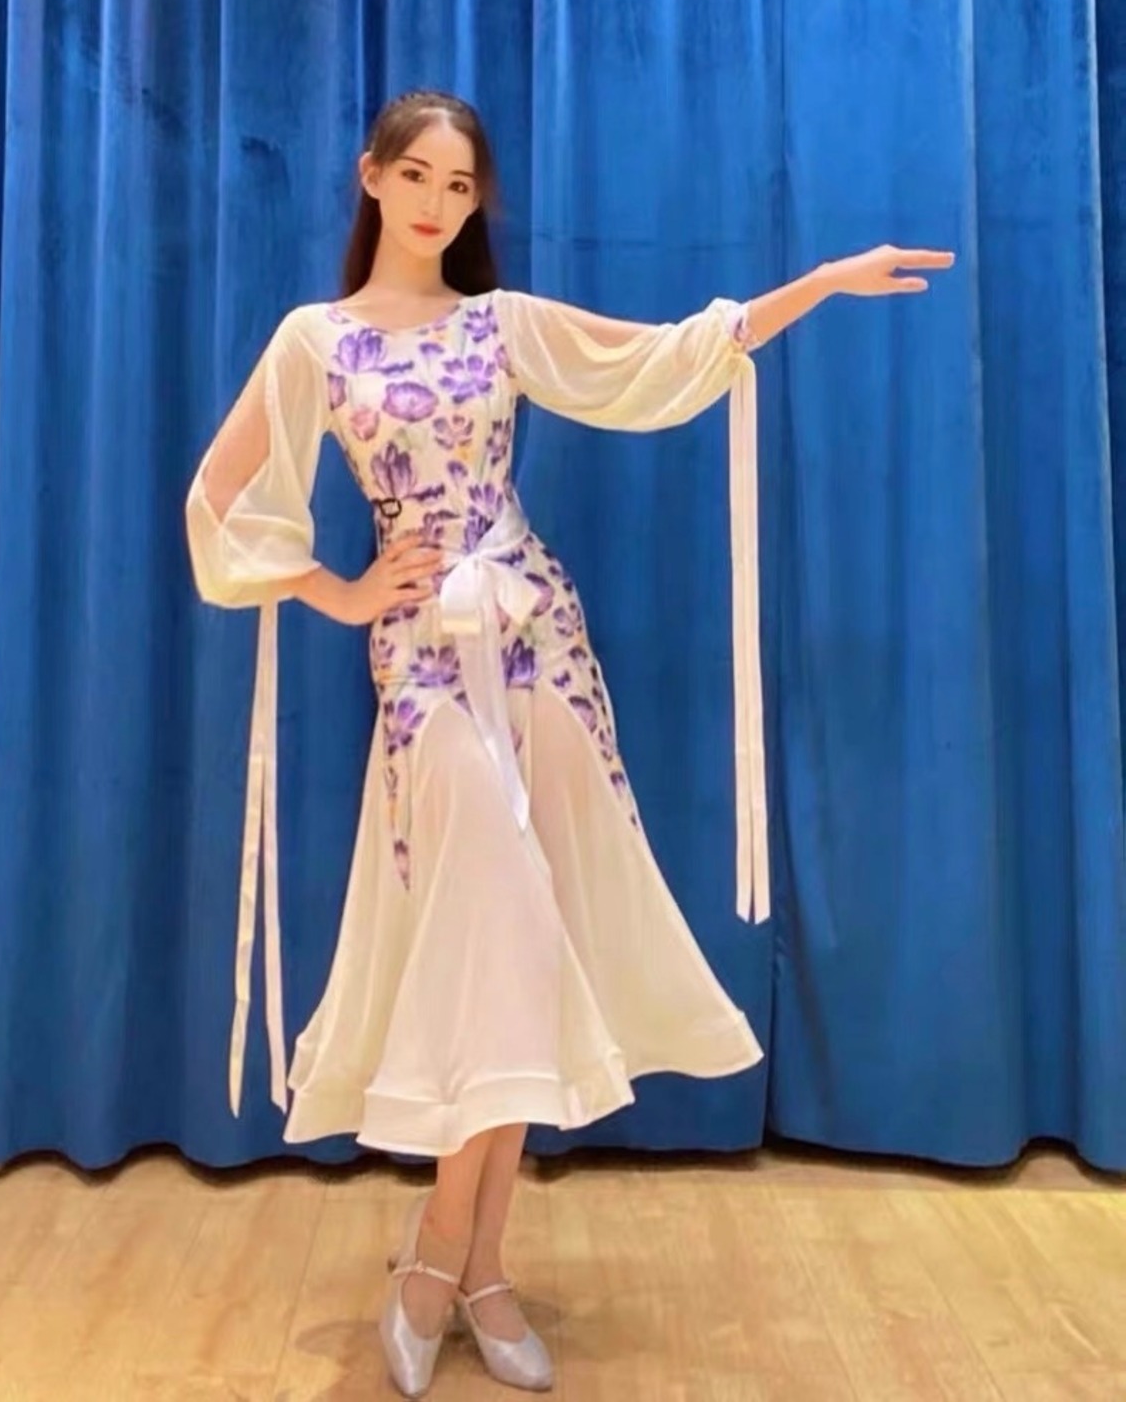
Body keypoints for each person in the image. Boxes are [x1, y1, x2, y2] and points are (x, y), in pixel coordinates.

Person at [185, 88, 953, 1397]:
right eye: (417, 177)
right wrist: (339, 591)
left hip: (540, 642)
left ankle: (466, 1262)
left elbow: (665, 359)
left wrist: (820, 285)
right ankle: (454, 1258)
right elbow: (217, 499)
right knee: (496, 924)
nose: (437, 204)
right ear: (371, 177)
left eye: (460, 187)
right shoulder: (316, 340)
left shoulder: (501, 324)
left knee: (527, 946)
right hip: (421, 656)